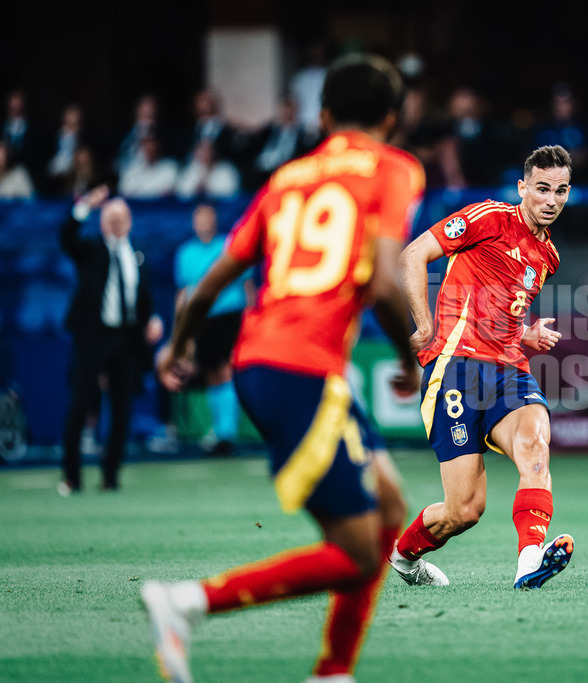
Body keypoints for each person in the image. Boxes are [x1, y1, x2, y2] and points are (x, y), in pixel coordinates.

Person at [142, 53, 424, 683]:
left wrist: (177, 347)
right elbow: (382, 285)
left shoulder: (288, 177)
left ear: (323, 116)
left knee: (387, 506)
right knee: (356, 554)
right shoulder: (394, 168)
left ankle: (333, 671)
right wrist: (411, 359)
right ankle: (188, 603)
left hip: (265, 359)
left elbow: (213, 281)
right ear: (392, 117)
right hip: (300, 371)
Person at [388, 145, 575, 590]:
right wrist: (423, 322)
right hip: (454, 367)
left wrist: (524, 333)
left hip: (509, 369)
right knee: (464, 510)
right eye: (543, 189)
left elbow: (500, 306)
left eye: (561, 191)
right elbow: (412, 255)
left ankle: (530, 559)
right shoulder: (488, 216)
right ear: (523, 188)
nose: (551, 200)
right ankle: (402, 557)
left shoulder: (548, 257)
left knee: (535, 446)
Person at [59, 185, 163, 494]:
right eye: (111, 217)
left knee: (122, 408)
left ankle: (110, 476)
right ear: (102, 221)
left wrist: (152, 320)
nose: (117, 223)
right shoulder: (91, 250)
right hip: (93, 336)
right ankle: (71, 476)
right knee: (81, 403)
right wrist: (85, 206)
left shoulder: (138, 255)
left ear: (130, 221)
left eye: (122, 217)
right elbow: (66, 237)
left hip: (126, 338)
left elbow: (141, 299)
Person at [173, 204, 252, 454]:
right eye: (199, 219)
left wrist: (253, 318)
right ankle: (219, 433)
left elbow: (248, 285)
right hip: (203, 319)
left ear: (215, 221)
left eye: (207, 218)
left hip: (230, 316)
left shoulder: (229, 246)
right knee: (210, 373)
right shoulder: (185, 253)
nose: (203, 223)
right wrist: (180, 331)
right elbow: (183, 292)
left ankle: (228, 433)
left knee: (226, 369)